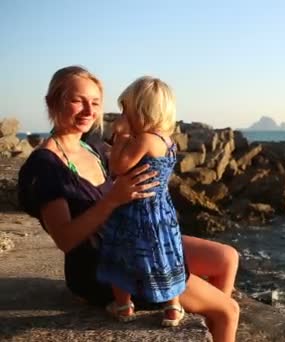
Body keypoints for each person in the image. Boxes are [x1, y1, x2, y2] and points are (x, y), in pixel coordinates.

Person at [17, 66, 239, 342]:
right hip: (101, 262)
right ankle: (210, 313)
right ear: (53, 102)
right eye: (77, 101)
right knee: (229, 310)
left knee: (226, 257)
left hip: (134, 239)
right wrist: (112, 200)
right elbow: (65, 239)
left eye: (95, 103)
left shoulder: (92, 148)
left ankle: (205, 318)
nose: (89, 110)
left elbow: (138, 165)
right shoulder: (45, 166)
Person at [96, 76, 187, 327]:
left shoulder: (143, 140)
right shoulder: (167, 141)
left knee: (122, 255)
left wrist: (120, 137)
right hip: (161, 210)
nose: (121, 114)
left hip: (135, 210)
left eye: (126, 109)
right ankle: (173, 307)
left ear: (142, 111)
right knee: (167, 256)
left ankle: (124, 305)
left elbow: (117, 167)